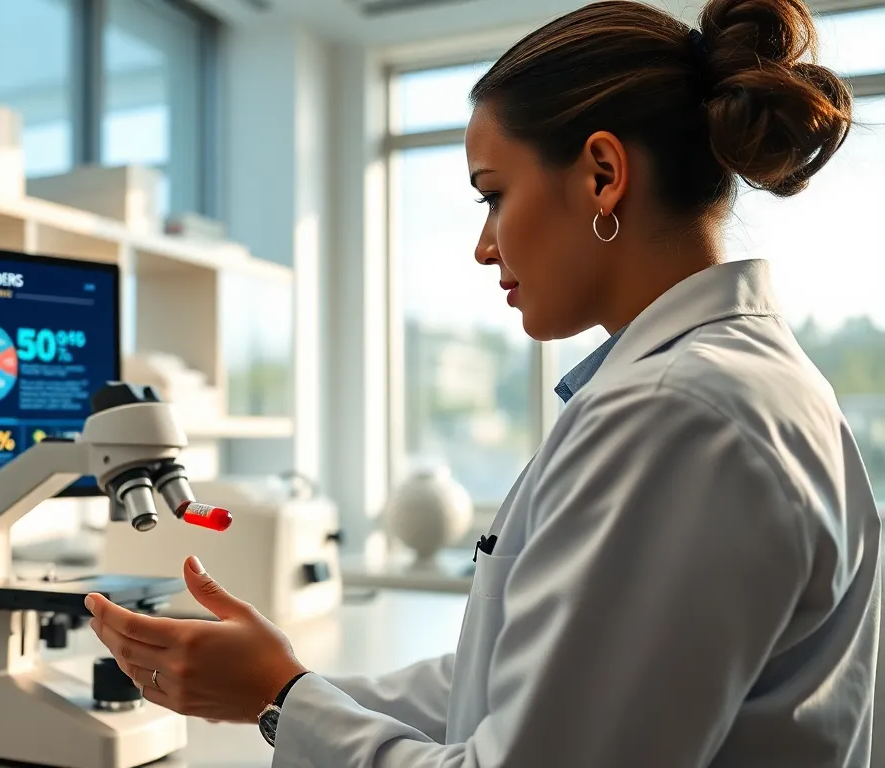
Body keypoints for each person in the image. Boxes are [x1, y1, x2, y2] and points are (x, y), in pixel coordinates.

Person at [84, 0, 882, 764]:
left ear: (603, 175)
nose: (483, 245)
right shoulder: (720, 382)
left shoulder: (677, 413)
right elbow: (510, 693)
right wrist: (280, 684)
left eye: (494, 195)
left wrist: (281, 697)